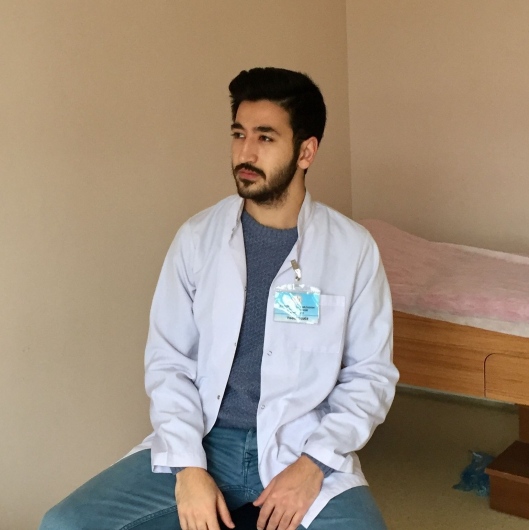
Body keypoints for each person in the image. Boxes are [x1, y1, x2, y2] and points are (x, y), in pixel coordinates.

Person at [40, 67, 399, 530]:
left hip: (301, 445)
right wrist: (189, 469)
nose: (245, 153)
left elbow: (370, 376)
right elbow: (169, 362)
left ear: (306, 151)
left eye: (265, 137)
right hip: (206, 441)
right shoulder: (197, 239)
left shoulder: (351, 249)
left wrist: (313, 465)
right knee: (64, 523)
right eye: (238, 134)